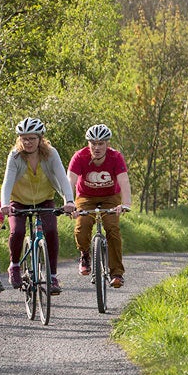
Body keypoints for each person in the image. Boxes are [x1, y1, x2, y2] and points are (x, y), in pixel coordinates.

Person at [0, 117, 77, 293]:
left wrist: (69, 201)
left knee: (50, 232)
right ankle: (15, 265)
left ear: (40, 138)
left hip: (44, 199)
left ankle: (53, 277)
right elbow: (7, 182)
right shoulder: (15, 156)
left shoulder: (51, 154)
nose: (28, 142)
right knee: (17, 231)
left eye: (32, 138)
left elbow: (63, 179)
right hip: (18, 201)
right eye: (24, 138)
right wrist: (5, 204)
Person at [67, 123, 132, 288]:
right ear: (88, 143)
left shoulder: (115, 157)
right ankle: (85, 254)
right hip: (86, 197)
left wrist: (125, 204)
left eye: (101, 143)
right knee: (82, 226)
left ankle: (117, 273)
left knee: (112, 228)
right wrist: (69, 204)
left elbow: (124, 180)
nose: (97, 147)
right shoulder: (79, 157)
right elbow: (70, 181)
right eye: (93, 143)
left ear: (107, 144)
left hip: (110, 197)